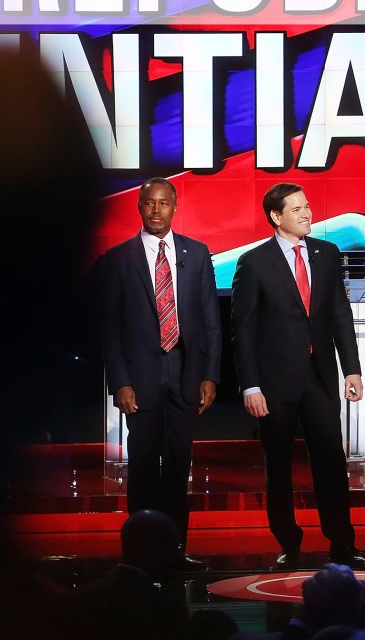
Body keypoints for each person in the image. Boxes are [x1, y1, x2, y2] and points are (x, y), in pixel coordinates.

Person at [231, 183, 365, 571]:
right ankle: (289, 544)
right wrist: (250, 385)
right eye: (297, 209)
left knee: (331, 462)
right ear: (276, 216)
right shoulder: (253, 262)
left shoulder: (327, 253)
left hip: (320, 377)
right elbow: (243, 330)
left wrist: (352, 368)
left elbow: (340, 313)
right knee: (278, 466)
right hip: (273, 382)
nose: (307, 214)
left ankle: (342, 543)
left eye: (307, 207)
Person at [98, 177, 222, 567]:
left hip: (186, 375)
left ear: (174, 207)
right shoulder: (119, 258)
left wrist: (210, 375)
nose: (156, 210)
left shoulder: (196, 253)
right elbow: (110, 327)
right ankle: (139, 554)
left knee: (178, 467)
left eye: (163, 203)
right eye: (149, 203)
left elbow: (211, 320)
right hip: (141, 380)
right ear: (139, 207)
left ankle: (175, 550)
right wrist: (120, 382)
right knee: (143, 467)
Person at [65, 509, 190, 640]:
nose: (178, 555)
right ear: (156, 547)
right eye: (176, 546)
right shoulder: (165, 610)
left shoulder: (76, 598)